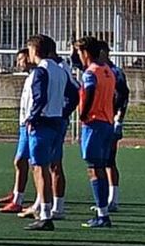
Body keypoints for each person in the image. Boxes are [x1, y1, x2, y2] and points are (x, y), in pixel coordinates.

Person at [21, 35, 77, 232]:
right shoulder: (60, 71)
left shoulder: (41, 71)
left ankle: (44, 214)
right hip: (57, 122)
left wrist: (33, 118)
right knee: (51, 165)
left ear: (35, 51)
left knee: (40, 168)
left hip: (43, 123)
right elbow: (74, 94)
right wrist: (63, 112)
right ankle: (48, 209)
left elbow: (39, 97)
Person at [74, 36, 117, 229]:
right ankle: (103, 212)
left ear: (85, 53)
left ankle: (102, 214)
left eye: (79, 53)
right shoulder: (108, 71)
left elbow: (90, 93)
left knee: (94, 169)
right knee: (100, 166)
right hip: (107, 122)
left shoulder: (90, 73)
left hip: (94, 123)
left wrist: (83, 114)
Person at [0, 50, 35, 213]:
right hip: (24, 124)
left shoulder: (37, 76)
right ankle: (16, 194)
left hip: (30, 124)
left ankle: (20, 199)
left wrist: (30, 118)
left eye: (20, 59)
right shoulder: (30, 77)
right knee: (22, 162)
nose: (18, 63)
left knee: (24, 162)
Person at [107, 52, 130, 211]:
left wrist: (118, 120)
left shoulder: (115, 72)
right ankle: (106, 199)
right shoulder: (94, 70)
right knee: (98, 162)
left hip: (109, 121)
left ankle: (112, 199)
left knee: (109, 160)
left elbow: (124, 96)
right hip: (98, 121)